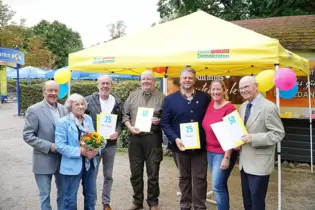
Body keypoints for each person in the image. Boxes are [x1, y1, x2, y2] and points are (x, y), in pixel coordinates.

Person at [160, 67, 210, 210]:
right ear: (180, 80)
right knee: (184, 177)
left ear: (194, 80)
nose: (187, 80)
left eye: (190, 77)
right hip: (179, 146)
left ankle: (200, 206)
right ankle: (185, 206)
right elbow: (165, 123)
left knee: (200, 178)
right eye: (184, 78)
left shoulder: (204, 98)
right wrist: (175, 139)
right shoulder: (170, 99)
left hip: (200, 146)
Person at [238, 76, 285, 210]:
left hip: (260, 163)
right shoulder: (242, 106)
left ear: (256, 86)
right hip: (244, 163)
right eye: (241, 88)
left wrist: (254, 138)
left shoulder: (269, 107)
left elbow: (278, 133)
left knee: (257, 202)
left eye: (246, 87)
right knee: (247, 201)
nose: (243, 90)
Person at [122, 70, 165, 210]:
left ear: (154, 81)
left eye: (149, 79)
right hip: (136, 139)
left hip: (153, 137)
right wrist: (130, 127)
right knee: (135, 172)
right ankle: (137, 201)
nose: (146, 81)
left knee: (153, 172)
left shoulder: (162, 97)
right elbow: (125, 115)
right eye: (143, 79)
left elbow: (167, 119)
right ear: (140, 81)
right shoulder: (133, 96)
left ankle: (153, 202)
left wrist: (159, 121)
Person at [23, 80, 67, 210]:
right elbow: (28, 135)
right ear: (44, 92)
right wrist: (50, 146)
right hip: (43, 159)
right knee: (45, 196)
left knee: (63, 194)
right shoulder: (34, 110)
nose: (53, 93)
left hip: (62, 160)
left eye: (56, 91)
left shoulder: (64, 109)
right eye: (50, 90)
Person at [55, 93, 102, 210]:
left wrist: (96, 151)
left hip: (89, 164)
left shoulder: (88, 119)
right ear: (70, 106)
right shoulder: (63, 122)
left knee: (90, 195)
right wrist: (80, 151)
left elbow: (96, 138)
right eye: (77, 104)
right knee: (70, 198)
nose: (81, 106)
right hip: (72, 165)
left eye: (82, 104)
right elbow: (60, 146)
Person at [85, 75, 122, 210]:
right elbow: (82, 119)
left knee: (108, 175)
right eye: (103, 83)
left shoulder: (117, 102)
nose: (105, 86)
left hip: (110, 145)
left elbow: (119, 122)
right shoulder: (88, 100)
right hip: (94, 143)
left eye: (108, 83)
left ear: (112, 86)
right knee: (92, 175)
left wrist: (117, 132)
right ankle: (91, 203)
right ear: (98, 85)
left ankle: (106, 203)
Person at [202, 80, 238, 210]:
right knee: (221, 185)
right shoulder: (211, 105)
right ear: (210, 91)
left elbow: (233, 133)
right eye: (213, 89)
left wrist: (227, 157)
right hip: (210, 151)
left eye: (218, 89)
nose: (216, 92)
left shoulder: (229, 108)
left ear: (224, 91)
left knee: (217, 187)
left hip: (223, 153)